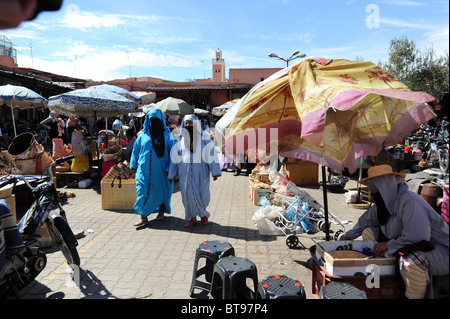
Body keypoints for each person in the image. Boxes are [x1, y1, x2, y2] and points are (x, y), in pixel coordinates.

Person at [341, 165, 449, 299]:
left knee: (411, 262)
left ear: (384, 187)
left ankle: (414, 295)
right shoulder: (384, 203)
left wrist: (388, 246)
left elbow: (418, 237)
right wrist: (347, 237)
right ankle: (388, 272)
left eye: (374, 189)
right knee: (369, 232)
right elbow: (365, 222)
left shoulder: (409, 201)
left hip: (440, 250)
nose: (372, 193)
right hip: (411, 244)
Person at [168, 114, 221, 227]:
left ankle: (203, 215)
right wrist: (171, 174)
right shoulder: (180, 141)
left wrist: (215, 171)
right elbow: (174, 159)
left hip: (201, 173)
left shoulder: (204, 138)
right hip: (185, 174)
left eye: (190, 123)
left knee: (203, 194)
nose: (188, 125)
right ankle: (192, 217)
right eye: (186, 123)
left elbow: (211, 154)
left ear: (195, 124)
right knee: (187, 195)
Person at [130, 109, 175, 228]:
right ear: (148, 120)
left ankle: (161, 211)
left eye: (157, 119)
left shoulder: (167, 135)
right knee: (141, 192)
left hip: (160, 170)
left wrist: (169, 168)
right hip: (143, 170)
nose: (154, 121)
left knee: (159, 191)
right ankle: (143, 218)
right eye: (151, 119)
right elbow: (135, 150)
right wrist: (133, 165)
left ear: (161, 120)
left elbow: (174, 153)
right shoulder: (142, 135)